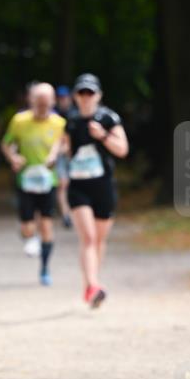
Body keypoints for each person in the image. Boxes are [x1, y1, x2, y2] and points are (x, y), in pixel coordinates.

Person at [63, 74, 129, 308]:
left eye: (90, 93)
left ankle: (91, 285)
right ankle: (93, 285)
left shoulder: (109, 118)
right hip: (79, 186)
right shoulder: (70, 122)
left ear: (98, 95)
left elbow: (122, 149)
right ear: (75, 96)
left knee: (99, 241)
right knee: (88, 238)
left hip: (103, 186)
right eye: (81, 92)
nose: (86, 97)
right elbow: (66, 151)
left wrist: (102, 135)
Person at [1, 83, 65, 285]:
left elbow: (64, 143)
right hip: (25, 180)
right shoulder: (20, 121)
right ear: (31, 102)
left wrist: (56, 155)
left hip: (48, 180)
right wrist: (13, 158)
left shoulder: (59, 123)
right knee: (28, 228)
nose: (43, 109)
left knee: (46, 225)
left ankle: (45, 268)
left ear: (53, 102)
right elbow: (6, 144)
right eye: (39, 104)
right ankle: (28, 234)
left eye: (47, 105)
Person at [55, 85, 73, 228]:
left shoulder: (75, 113)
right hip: (59, 153)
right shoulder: (53, 115)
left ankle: (72, 213)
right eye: (60, 98)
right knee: (63, 184)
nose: (63, 100)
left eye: (64, 97)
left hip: (74, 153)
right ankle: (66, 215)